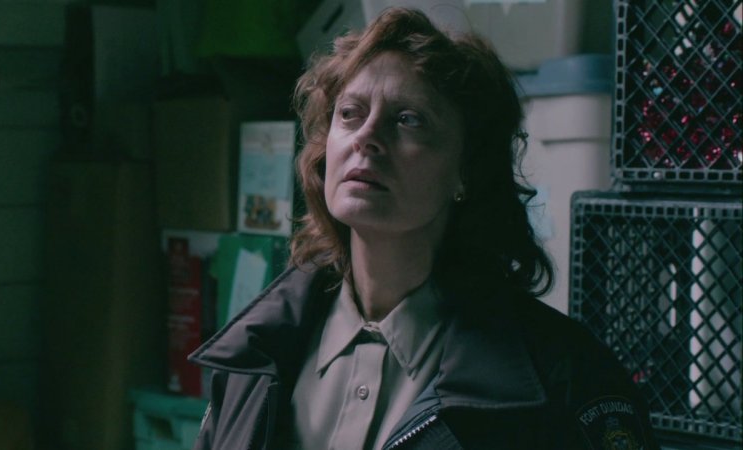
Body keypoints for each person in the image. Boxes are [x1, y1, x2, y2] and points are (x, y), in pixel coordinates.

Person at [189, 7, 660, 450]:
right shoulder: (256, 355)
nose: (366, 137)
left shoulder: (564, 377)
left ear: (466, 170)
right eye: (350, 113)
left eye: (408, 120)